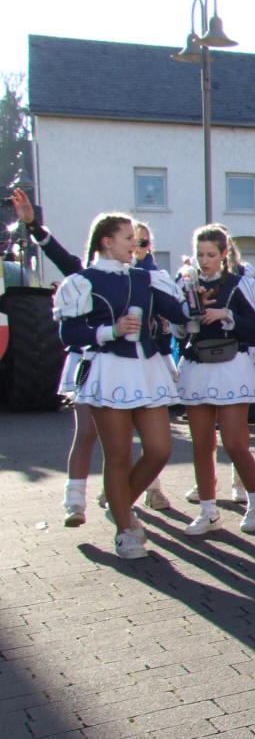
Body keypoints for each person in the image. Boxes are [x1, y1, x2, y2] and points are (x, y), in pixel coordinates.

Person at [52, 213, 188, 558]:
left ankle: (120, 503)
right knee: (119, 456)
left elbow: (179, 313)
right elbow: (69, 333)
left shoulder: (147, 278)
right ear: (106, 241)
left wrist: (200, 298)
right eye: (128, 237)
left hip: (147, 370)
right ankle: (126, 530)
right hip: (108, 370)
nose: (134, 244)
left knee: (160, 449)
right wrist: (110, 330)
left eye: (136, 238)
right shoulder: (83, 281)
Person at [173, 225, 255, 535]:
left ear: (225, 254)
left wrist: (225, 315)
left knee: (235, 442)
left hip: (231, 366)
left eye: (211, 254)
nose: (205, 260)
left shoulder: (241, 285)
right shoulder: (185, 283)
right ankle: (208, 511)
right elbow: (176, 330)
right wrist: (185, 321)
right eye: (200, 254)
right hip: (197, 364)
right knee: (201, 443)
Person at [12, 187, 96, 527]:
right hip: (91, 364)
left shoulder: (139, 280)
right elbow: (60, 256)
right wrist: (34, 227)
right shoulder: (84, 275)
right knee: (87, 431)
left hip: (128, 369)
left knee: (124, 442)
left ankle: (127, 492)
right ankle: (74, 500)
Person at [131, 221, 174, 511]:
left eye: (144, 242)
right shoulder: (107, 272)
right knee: (119, 438)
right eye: (132, 240)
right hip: (118, 361)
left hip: (151, 359)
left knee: (153, 433)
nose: (137, 247)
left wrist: (162, 324)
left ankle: (153, 488)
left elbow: (173, 318)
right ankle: (118, 489)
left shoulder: (156, 275)